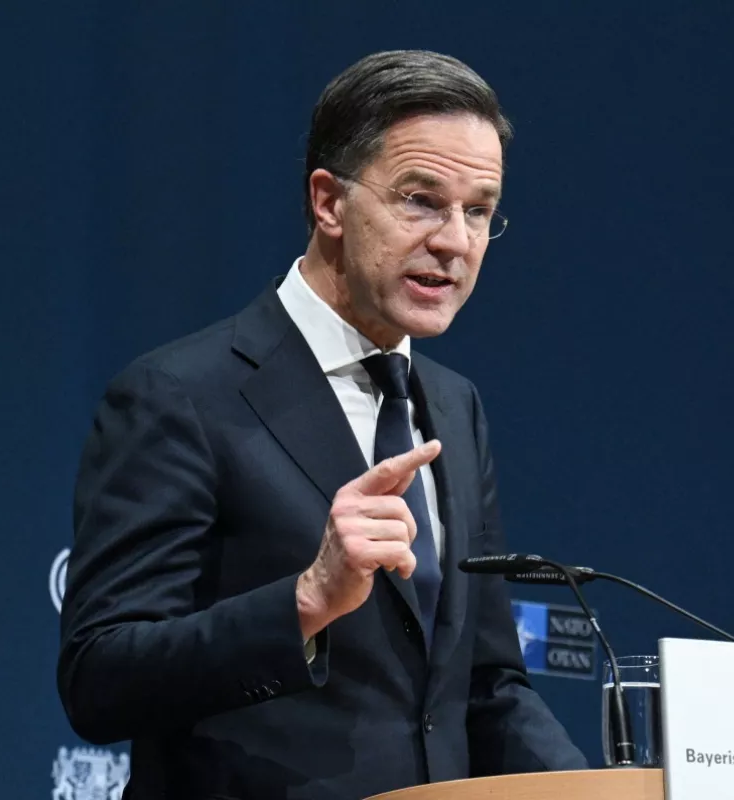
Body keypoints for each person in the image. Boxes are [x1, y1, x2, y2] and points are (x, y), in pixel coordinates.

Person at [57, 50, 588, 799]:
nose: (455, 241)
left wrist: (601, 790)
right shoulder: (179, 395)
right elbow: (100, 678)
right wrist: (306, 600)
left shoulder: (454, 404)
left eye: (478, 211)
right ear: (329, 202)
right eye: (421, 200)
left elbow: (486, 684)